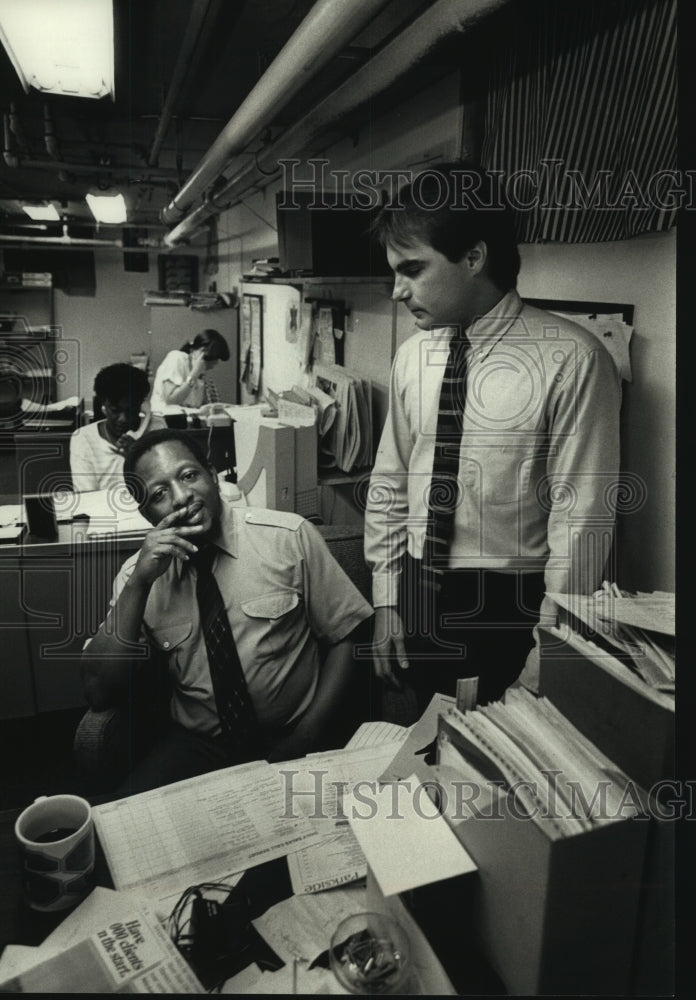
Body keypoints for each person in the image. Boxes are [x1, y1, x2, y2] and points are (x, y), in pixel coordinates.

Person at [364, 161, 622, 715]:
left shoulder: (571, 359)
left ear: (474, 258)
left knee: (490, 780)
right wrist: (386, 599)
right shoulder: (414, 355)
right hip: (416, 589)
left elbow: (580, 529)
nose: (396, 291)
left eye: (412, 269)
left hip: (508, 611)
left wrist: (546, 654)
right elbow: (391, 479)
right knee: (420, 745)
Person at [82, 428, 373, 793]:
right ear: (145, 512)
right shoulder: (137, 577)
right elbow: (99, 691)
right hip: (200, 746)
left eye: (189, 476)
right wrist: (139, 584)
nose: (181, 497)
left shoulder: (287, 537)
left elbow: (346, 635)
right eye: (159, 494)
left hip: (295, 730)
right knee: (120, 828)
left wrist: (308, 733)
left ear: (213, 475)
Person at [69, 363, 165, 493]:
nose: (123, 419)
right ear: (104, 405)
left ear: (141, 405)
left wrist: (137, 456)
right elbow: (86, 497)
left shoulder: (156, 428)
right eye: (115, 410)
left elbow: (165, 486)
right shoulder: (83, 438)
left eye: (131, 410)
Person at [150, 329, 230, 411]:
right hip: (164, 419)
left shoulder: (201, 376)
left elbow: (199, 406)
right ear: (202, 351)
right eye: (213, 359)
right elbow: (171, 400)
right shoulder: (176, 358)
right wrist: (195, 373)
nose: (214, 365)